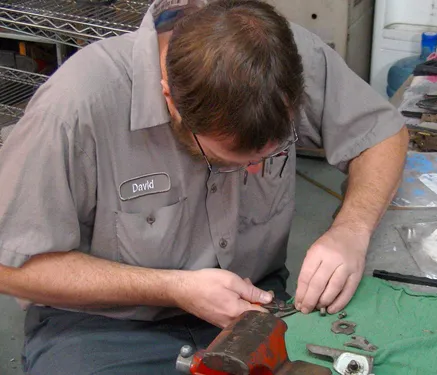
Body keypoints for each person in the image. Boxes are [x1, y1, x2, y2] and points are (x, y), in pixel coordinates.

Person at [0, 0, 408, 373]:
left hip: (256, 306)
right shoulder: (76, 106)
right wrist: (173, 288)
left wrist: (351, 230)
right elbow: (10, 267)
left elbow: (382, 134)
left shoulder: (279, 57)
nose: (251, 173)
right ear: (170, 99)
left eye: (269, 156)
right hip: (106, 328)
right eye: (226, 159)